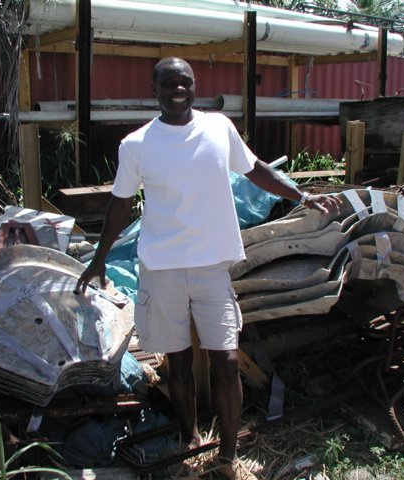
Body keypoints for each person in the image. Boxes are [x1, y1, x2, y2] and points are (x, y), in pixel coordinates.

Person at [77, 57, 340, 480]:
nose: (177, 89)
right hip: (162, 269)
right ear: (155, 88)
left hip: (212, 268)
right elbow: (120, 204)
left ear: (194, 85)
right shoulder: (137, 144)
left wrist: (300, 195)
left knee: (227, 360)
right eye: (168, 83)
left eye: (184, 81)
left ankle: (227, 459)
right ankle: (192, 439)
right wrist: (99, 256)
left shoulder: (219, 128)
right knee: (177, 364)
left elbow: (255, 170)